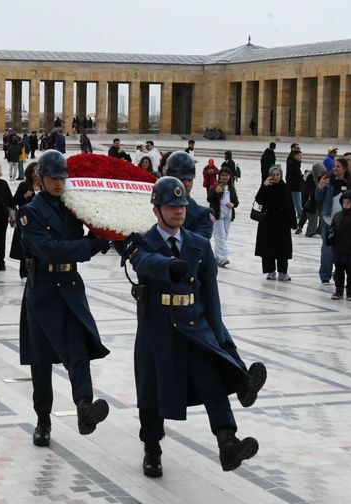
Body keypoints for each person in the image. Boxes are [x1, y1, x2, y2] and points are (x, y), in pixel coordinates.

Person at [122, 176, 265, 477]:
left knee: (210, 378)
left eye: (182, 206)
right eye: (171, 206)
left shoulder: (200, 245)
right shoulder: (141, 242)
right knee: (151, 393)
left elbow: (211, 300)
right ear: (156, 210)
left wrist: (224, 342)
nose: (178, 211)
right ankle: (152, 449)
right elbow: (142, 262)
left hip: (194, 325)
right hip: (157, 330)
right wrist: (167, 267)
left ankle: (228, 442)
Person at [18, 149, 113, 448]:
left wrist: (110, 232)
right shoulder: (30, 212)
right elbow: (51, 250)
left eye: (62, 177)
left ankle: (84, 407)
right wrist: (91, 245)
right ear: (40, 178)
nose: (59, 183)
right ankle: (43, 420)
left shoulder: (73, 207)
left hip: (69, 285)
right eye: (53, 178)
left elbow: (96, 225)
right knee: (41, 361)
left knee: (78, 349)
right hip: (43, 289)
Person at [315, 157, 351, 284]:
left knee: (342, 248)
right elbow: (318, 198)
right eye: (334, 166)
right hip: (328, 219)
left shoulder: (350, 183)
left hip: (345, 221)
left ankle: (339, 275)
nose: (335, 168)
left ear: (344, 169)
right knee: (327, 248)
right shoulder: (327, 181)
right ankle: (325, 276)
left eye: (338, 166)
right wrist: (320, 187)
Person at [254, 165, 297, 281]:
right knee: (268, 249)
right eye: (273, 175)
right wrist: (264, 186)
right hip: (268, 224)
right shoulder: (266, 187)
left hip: (282, 224)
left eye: (278, 175)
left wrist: (293, 221)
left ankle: (283, 272)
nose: (276, 177)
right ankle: (270, 271)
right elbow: (258, 200)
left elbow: (290, 205)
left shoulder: (285, 187)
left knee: (283, 249)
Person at [164, 151, 214, 239]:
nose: (187, 184)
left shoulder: (203, 214)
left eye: (190, 180)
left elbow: (199, 244)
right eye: (182, 179)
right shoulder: (157, 207)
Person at [10, 162, 41, 284]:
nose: (36, 174)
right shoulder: (24, 185)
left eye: (38, 171)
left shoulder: (44, 185)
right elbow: (14, 200)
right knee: (25, 247)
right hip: (25, 222)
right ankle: (24, 273)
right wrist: (24, 195)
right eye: (34, 171)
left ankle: (37, 272)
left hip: (40, 222)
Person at [208, 167, 238, 267]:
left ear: (230, 177)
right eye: (223, 175)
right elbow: (209, 199)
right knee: (219, 235)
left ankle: (217, 257)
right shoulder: (214, 186)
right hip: (217, 214)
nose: (225, 177)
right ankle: (222, 257)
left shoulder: (231, 188)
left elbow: (236, 201)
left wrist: (233, 204)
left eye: (227, 175)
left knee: (223, 236)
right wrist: (216, 192)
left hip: (228, 214)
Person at [286, 149, 304, 224]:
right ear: (295, 156)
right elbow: (293, 177)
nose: (301, 157)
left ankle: (295, 219)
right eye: (300, 156)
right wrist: (301, 177)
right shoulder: (292, 164)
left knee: (295, 204)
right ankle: (300, 220)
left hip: (296, 188)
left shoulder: (296, 163)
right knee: (298, 205)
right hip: (294, 188)